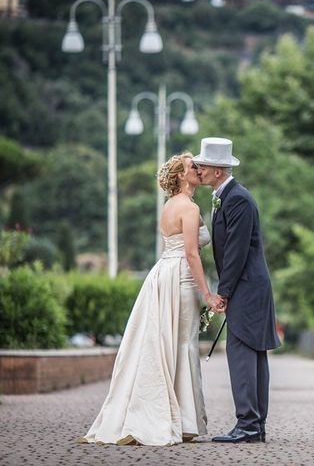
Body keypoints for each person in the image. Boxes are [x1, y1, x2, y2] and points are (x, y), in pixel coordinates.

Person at [80, 153, 217, 446]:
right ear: (181, 175)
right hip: (180, 276)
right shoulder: (189, 209)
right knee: (183, 343)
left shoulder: (169, 206)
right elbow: (191, 253)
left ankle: (179, 417)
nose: (199, 169)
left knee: (167, 342)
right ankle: (184, 421)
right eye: (194, 166)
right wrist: (207, 293)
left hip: (161, 275)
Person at [192, 137, 281, 444]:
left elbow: (237, 251)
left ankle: (249, 425)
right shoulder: (227, 196)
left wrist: (223, 292)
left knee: (243, 352)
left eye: (203, 165)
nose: (199, 169)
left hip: (247, 287)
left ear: (218, 170)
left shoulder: (237, 199)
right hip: (249, 286)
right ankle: (254, 425)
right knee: (250, 353)